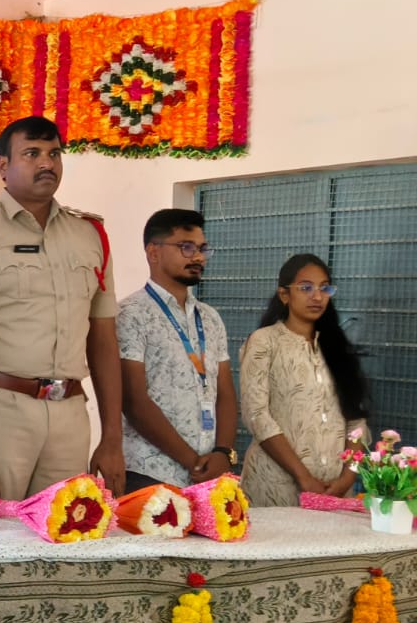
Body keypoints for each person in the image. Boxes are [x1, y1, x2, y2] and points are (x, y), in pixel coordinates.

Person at [0, 115, 125, 503]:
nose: (46, 164)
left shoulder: (88, 235)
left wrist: (112, 438)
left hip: (69, 411)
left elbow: (103, 341)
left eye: (54, 154)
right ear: (3, 166)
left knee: (64, 528)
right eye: (32, 153)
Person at [117, 209, 238, 491]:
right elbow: (134, 401)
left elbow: (225, 394)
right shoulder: (130, 314)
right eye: (187, 247)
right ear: (153, 252)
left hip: (208, 474)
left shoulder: (210, 318)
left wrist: (223, 453)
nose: (198, 257)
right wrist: (192, 461)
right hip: (150, 471)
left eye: (202, 249)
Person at [238, 253, 369, 507]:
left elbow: (357, 420)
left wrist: (348, 477)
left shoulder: (337, 348)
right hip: (275, 488)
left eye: (324, 288)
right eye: (306, 288)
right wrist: (304, 477)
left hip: (335, 491)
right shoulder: (264, 342)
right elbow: (257, 416)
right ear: (284, 295)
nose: (317, 297)